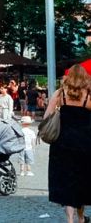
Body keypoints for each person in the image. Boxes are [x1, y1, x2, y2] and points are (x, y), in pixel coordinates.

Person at [47, 65, 91, 223]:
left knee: (66, 181)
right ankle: (81, 218)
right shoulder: (88, 95)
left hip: (62, 143)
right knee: (81, 180)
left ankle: (70, 219)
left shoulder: (59, 94)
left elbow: (48, 115)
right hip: (85, 143)